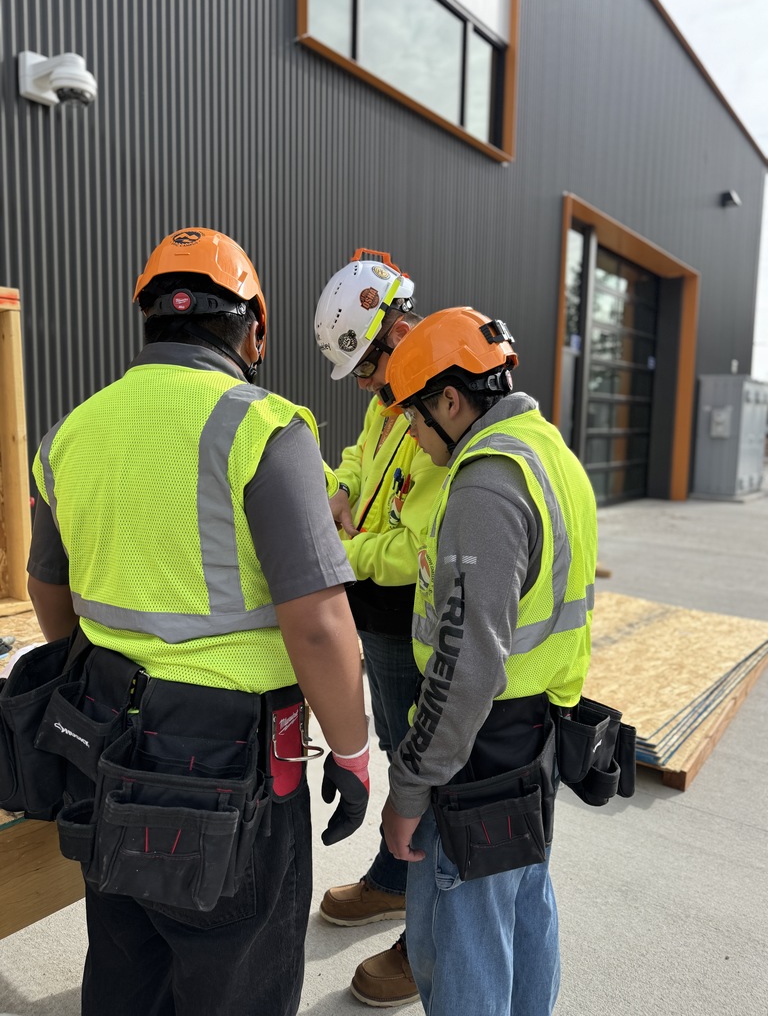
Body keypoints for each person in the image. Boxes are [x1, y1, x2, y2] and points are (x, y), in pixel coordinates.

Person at [26, 227, 370, 1016]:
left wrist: (108, 670)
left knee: (124, 954)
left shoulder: (72, 430)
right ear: (255, 329)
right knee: (236, 976)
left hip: (103, 732)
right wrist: (351, 752)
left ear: (147, 321)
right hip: (228, 758)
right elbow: (318, 625)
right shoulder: (265, 428)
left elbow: (48, 587)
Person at [379, 306, 598, 1016]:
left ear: (450, 399)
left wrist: (409, 788)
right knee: (524, 913)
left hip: (478, 755)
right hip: (534, 739)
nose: (411, 437)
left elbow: (465, 666)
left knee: (463, 941)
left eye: (414, 417)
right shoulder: (551, 455)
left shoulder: (485, 484)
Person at [313, 250, 447, 1006]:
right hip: (378, 616)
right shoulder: (390, 398)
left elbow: (418, 545)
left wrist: (345, 550)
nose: (367, 386)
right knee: (403, 755)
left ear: (395, 330)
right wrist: (335, 492)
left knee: (423, 771)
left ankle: (417, 935)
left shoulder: (440, 399)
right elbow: (362, 464)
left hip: (413, 617)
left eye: (367, 368)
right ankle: (394, 881)